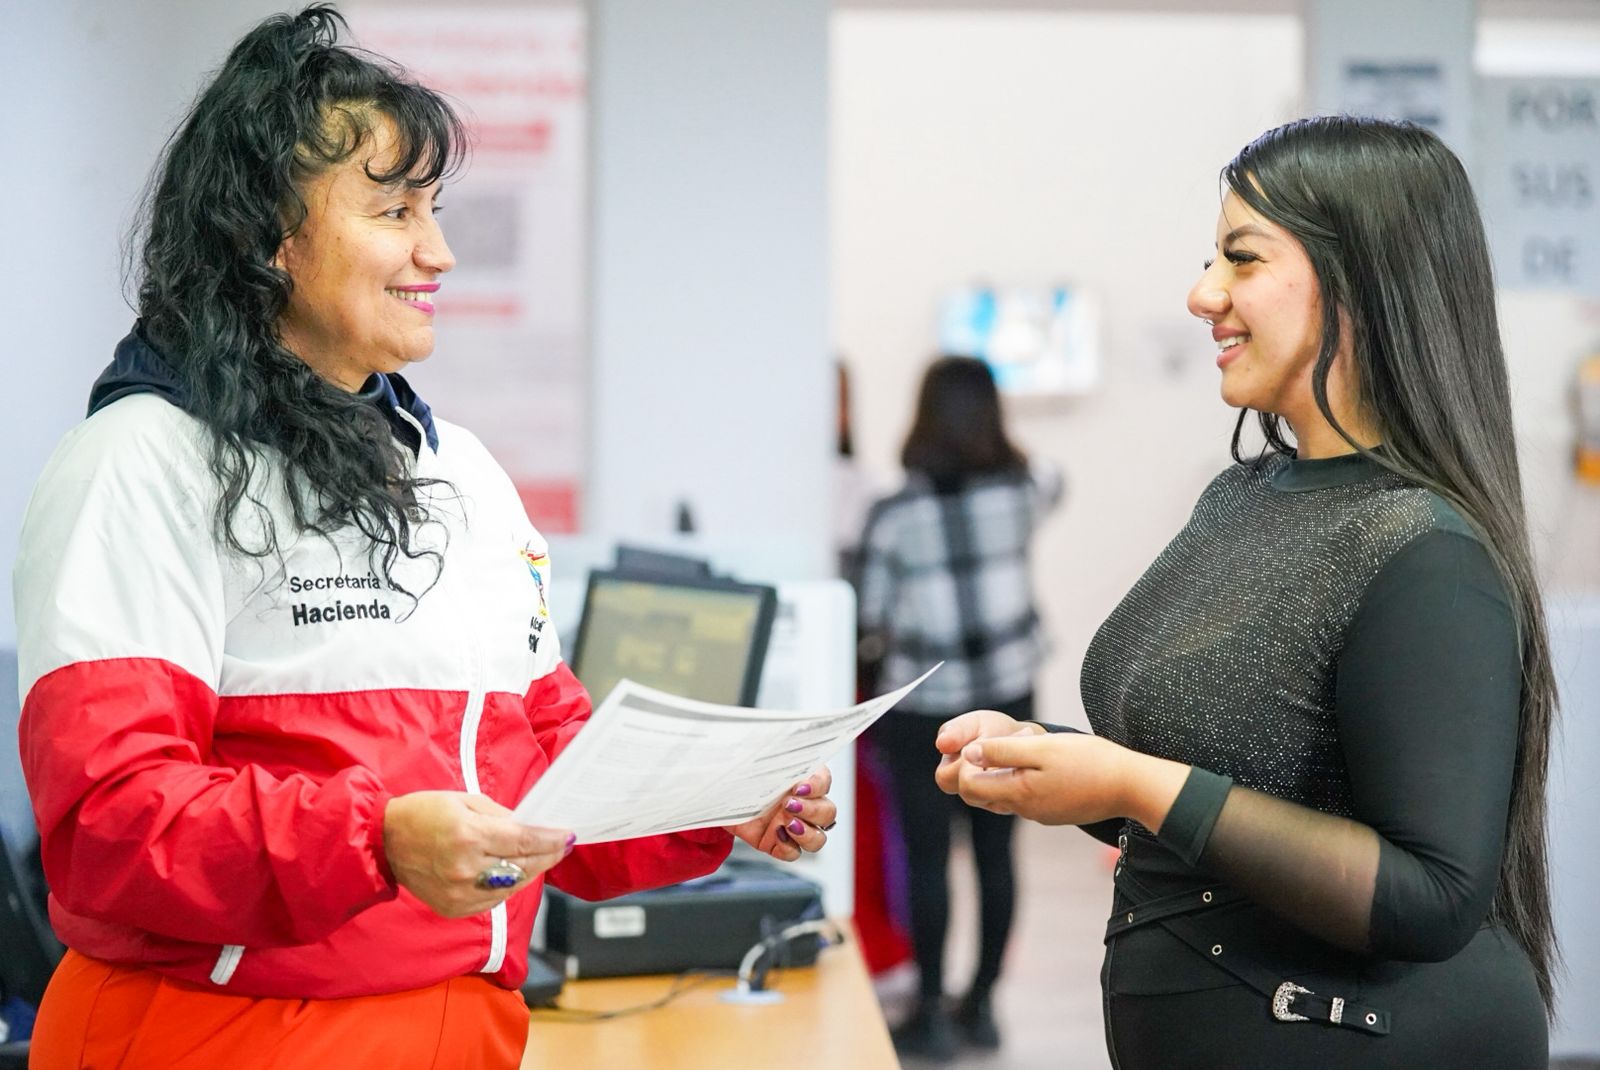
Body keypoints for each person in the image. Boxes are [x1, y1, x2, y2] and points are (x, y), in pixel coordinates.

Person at [12, 8, 836, 1068]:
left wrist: (717, 800)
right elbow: (111, 827)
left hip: (462, 1027)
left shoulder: (460, 475)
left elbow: (544, 772)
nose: (437, 251)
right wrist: (376, 840)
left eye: (435, 208)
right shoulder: (139, 463)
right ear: (268, 232)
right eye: (395, 210)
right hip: (221, 1036)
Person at [937, 116, 1555, 1068]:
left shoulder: (1424, 550)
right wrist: (1060, 766)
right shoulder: (1243, 495)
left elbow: (1432, 896)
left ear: (1361, 280)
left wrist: (1130, 781)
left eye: (1241, 259)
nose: (1202, 295)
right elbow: (1232, 790)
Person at [856, 355, 1063, 1059]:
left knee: (926, 858)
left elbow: (872, 615)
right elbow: (1054, 477)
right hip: (1008, 694)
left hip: (925, 709)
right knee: (998, 853)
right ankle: (982, 1007)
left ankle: (932, 1014)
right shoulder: (1021, 491)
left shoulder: (894, 514)